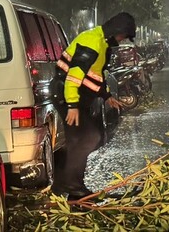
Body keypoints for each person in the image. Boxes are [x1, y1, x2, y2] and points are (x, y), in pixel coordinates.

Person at [52, 12, 136, 200]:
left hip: (76, 98)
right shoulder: (92, 42)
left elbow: (94, 75)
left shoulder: (102, 43)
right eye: (123, 36)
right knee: (87, 137)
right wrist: (72, 105)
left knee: (83, 139)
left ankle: (65, 184)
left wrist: (106, 96)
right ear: (117, 30)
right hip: (66, 97)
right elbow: (74, 75)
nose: (122, 40)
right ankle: (71, 186)